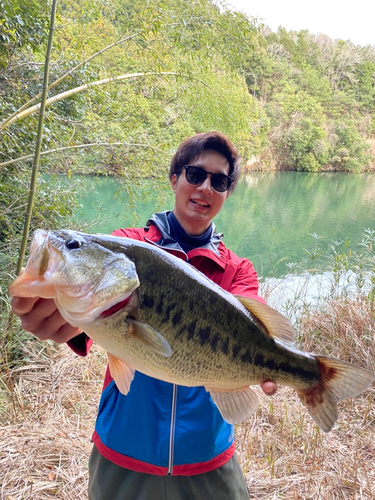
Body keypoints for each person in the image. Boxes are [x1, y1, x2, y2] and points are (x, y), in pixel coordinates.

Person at [11, 131, 277, 500]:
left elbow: (252, 336)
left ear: (228, 193)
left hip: (208, 456)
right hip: (124, 450)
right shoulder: (124, 248)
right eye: (196, 174)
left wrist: (275, 363)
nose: (205, 188)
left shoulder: (238, 270)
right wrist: (62, 320)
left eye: (219, 181)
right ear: (175, 178)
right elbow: (90, 324)